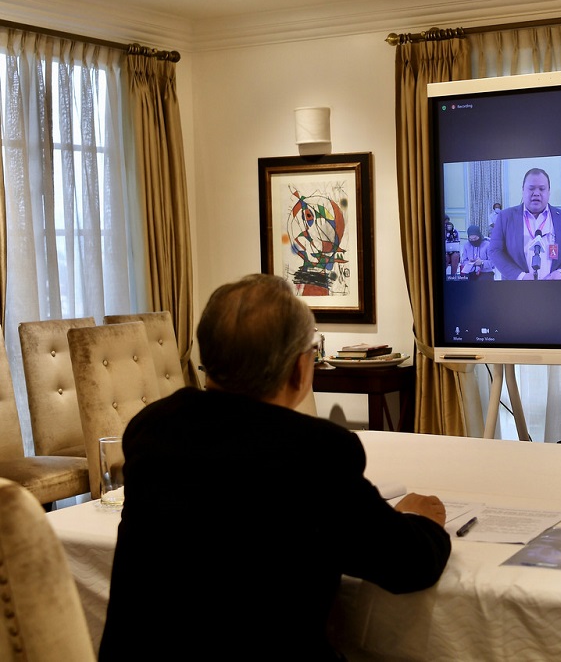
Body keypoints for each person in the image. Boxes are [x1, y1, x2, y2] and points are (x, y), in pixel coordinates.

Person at [98, 274, 451, 662]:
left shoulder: (152, 428)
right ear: (300, 369)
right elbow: (406, 566)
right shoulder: (315, 451)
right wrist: (422, 522)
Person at [490, 168, 561, 280]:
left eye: (542, 189)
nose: (536, 193)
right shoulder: (505, 217)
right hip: (517, 290)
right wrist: (520, 276)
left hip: (556, 289)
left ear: (549, 191)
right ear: (523, 190)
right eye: (531, 189)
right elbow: (495, 251)